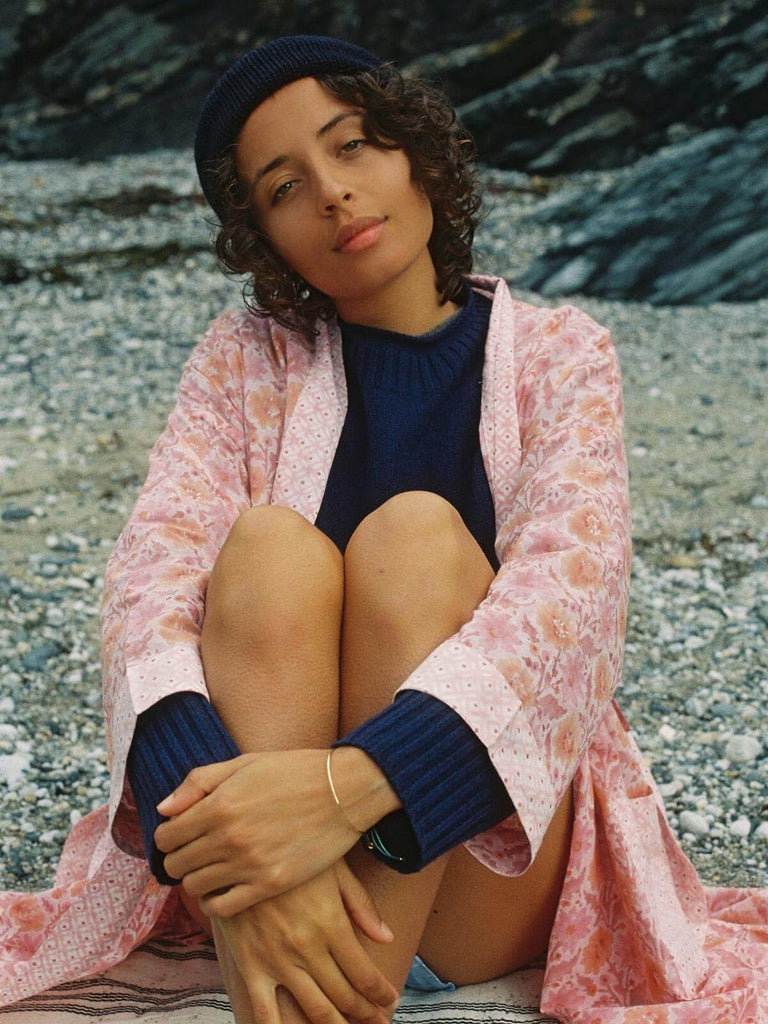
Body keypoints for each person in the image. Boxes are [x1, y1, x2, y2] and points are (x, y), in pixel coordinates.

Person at [1, 32, 767, 1024]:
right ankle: (293, 958)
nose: (331, 191)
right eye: (282, 187)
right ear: (261, 235)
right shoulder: (246, 360)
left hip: (472, 862)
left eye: (353, 144)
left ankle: (307, 990)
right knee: (270, 551)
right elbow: (150, 581)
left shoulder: (560, 354)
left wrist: (352, 787)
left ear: (415, 151)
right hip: (261, 869)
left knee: (413, 537)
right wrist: (243, 842)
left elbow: (572, 601)